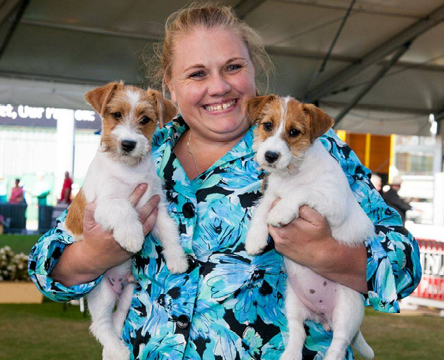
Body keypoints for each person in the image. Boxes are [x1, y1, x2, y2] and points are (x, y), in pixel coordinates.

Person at [29, 3, 421, 359]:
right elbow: (48, 266)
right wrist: (92, 256)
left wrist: (329, 253)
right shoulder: (143, 148)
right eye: (197, 73)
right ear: (170, 86)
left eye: (233, 67)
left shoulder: (312, 147)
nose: (218, 87)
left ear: (254, 70)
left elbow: (404, 265)